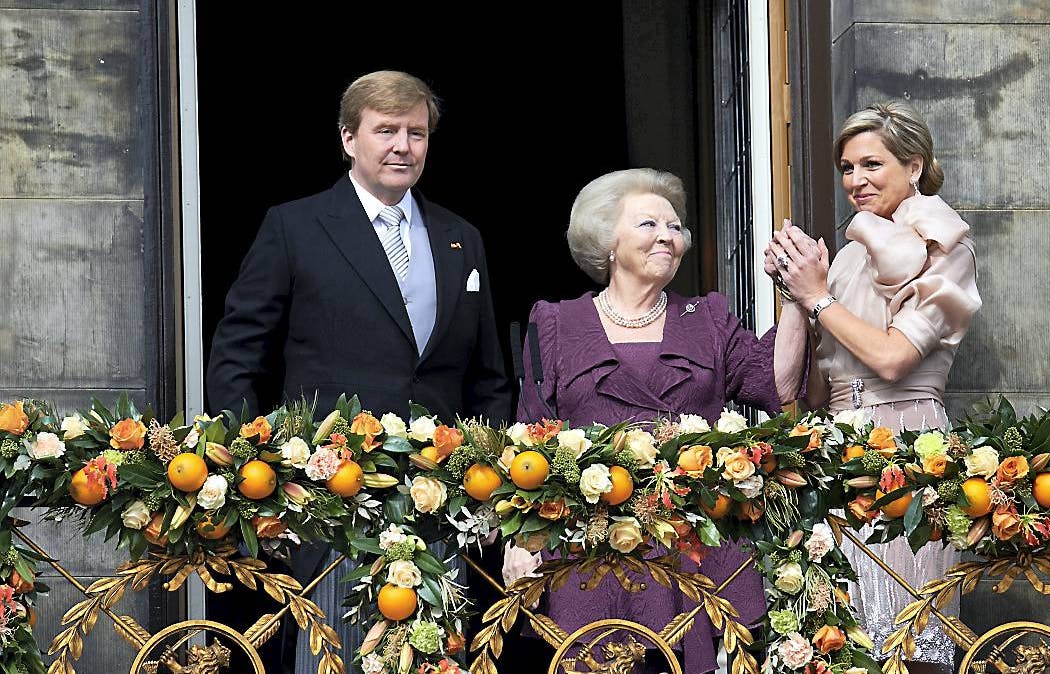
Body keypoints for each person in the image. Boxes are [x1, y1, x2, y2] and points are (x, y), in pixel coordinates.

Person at [205, 70, 511, 673]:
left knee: (437, 655)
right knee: (333, 656)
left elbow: (487, 375)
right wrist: (255, 469)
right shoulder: (294, 226)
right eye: (386, 130)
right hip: (330, 494)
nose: (403, 146)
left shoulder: (460, 237)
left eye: (416, 133)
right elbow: (239, 354)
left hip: (439, 494)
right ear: (349, 139)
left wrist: (488, 474)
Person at [506, 168, 809, 674]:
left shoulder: (707, 316)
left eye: (675, 227)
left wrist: (799, 299)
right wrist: (522, 537)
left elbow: (773, 385)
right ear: (606, 240)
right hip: (593, 549)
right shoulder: (557, 322)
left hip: (695, 546)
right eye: (649, 224)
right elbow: (530, 435)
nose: (668, 236)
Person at [765, 101, 981, 674]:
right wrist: (794, 295)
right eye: (846, 167)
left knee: (908, 641)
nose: (854, 181)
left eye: (871, 165)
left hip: (907, 444)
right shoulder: (846, 260)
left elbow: (892, 359)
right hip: (834, 448)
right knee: (837, 641)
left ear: (914, 166)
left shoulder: (944, 245)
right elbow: (796, 390)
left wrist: (818, 299)